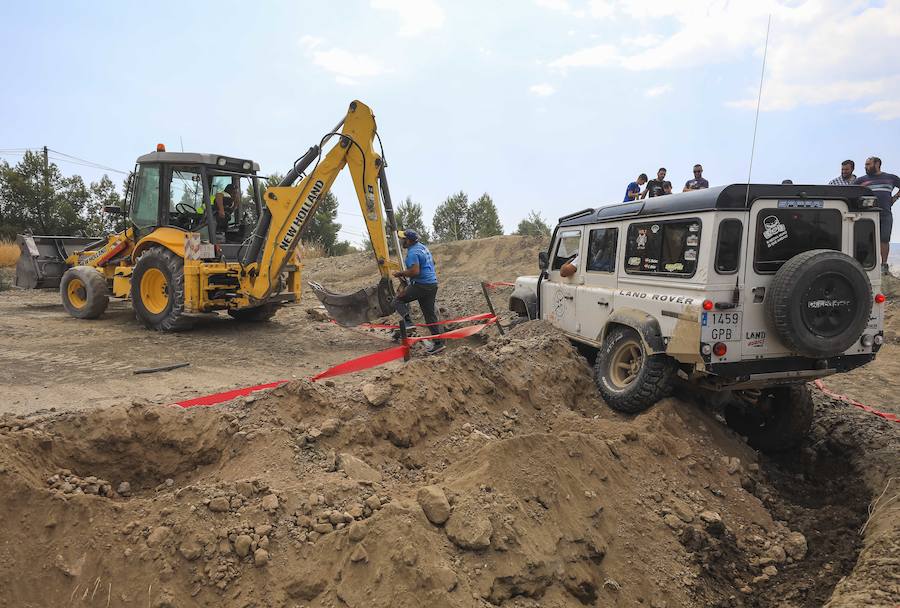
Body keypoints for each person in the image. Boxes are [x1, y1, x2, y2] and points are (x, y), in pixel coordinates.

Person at [392, 229, 444, 354]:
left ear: (408, 241)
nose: (401, 241)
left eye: (403, 239)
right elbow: (433, 262)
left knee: (397, 300)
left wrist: (401, 273)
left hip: (421, 285)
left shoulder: (412, 253)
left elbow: (415, 272)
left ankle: (408, 323)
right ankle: (439, 343)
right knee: (429, 315)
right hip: (432, 284)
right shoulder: (423, 247)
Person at [854, 157, 900, 273]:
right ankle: (868, 264)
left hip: (885, 213)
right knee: (867, 239)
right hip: (868, 215)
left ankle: (884, 265)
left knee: (884, 238)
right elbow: (851, 191)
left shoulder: (891, 178)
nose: (865, 167)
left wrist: (894, 198)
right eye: (865, 164)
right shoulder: (861, 180)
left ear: (877, 164)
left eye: (868, 164)